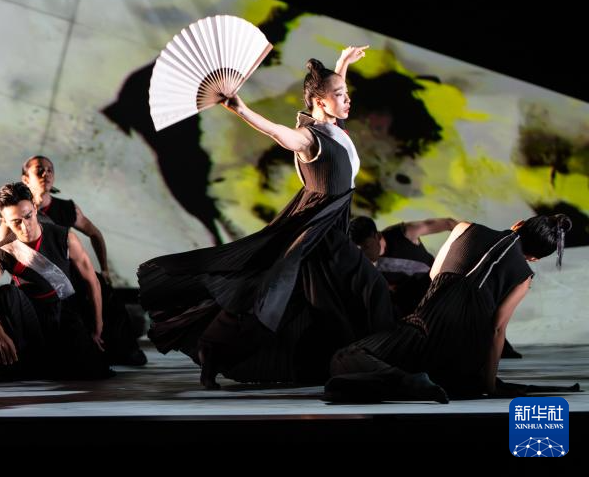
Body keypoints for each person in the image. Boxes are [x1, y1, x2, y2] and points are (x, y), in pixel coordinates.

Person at [138, 46, 394, 388]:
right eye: (339, 94)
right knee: (360, 287)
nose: (347, 99)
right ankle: (378, 359)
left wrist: (342, 64)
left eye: (346, 93)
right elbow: (277, 132)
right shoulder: (308, 138)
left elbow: (333, 99)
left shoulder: (335, 127)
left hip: (333, 228)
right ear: (320, 102)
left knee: (316, 304)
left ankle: (354, 361)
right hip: (318, 232)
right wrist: (240, 108)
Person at [325, 214, 571, 403]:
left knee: (343, 358)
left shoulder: (464, 228)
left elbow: (434, 274)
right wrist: (489, 385)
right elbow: (497, 329)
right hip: (464, 360)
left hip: (425, 327)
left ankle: (405, 381)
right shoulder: (524, 277)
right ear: (535, 258)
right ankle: (415, 381)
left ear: (519, 224)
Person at [0, 156, 147, 365]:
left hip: (67, 282)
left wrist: (104, 269)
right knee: (7, 300)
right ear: (25, 179)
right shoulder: (12, 216)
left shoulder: (67, 211)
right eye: (39, 170)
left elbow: (95, 234)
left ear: (33, 209)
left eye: (50, 170)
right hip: (31, 285)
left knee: (102, 290)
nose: (46, 174)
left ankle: (118, 350)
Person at [0, 182, 113, 382]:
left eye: (28, 216)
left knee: (90, 371)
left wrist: (97, 327)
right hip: (29, 318)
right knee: (4, 294)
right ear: (4, 221)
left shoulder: (65, 238)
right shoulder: (3, 251)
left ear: (35, 208)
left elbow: (92, 281)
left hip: (63, 312)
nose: (25, 226)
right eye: (16, 222)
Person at [349, 216, 457, 317]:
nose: (364, 255)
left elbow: (449, 223)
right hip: (415, 308)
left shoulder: (405, 233)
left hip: (440, 287)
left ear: (377, 236)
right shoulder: (362, 263)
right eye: (359, 251)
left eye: (366, 247)